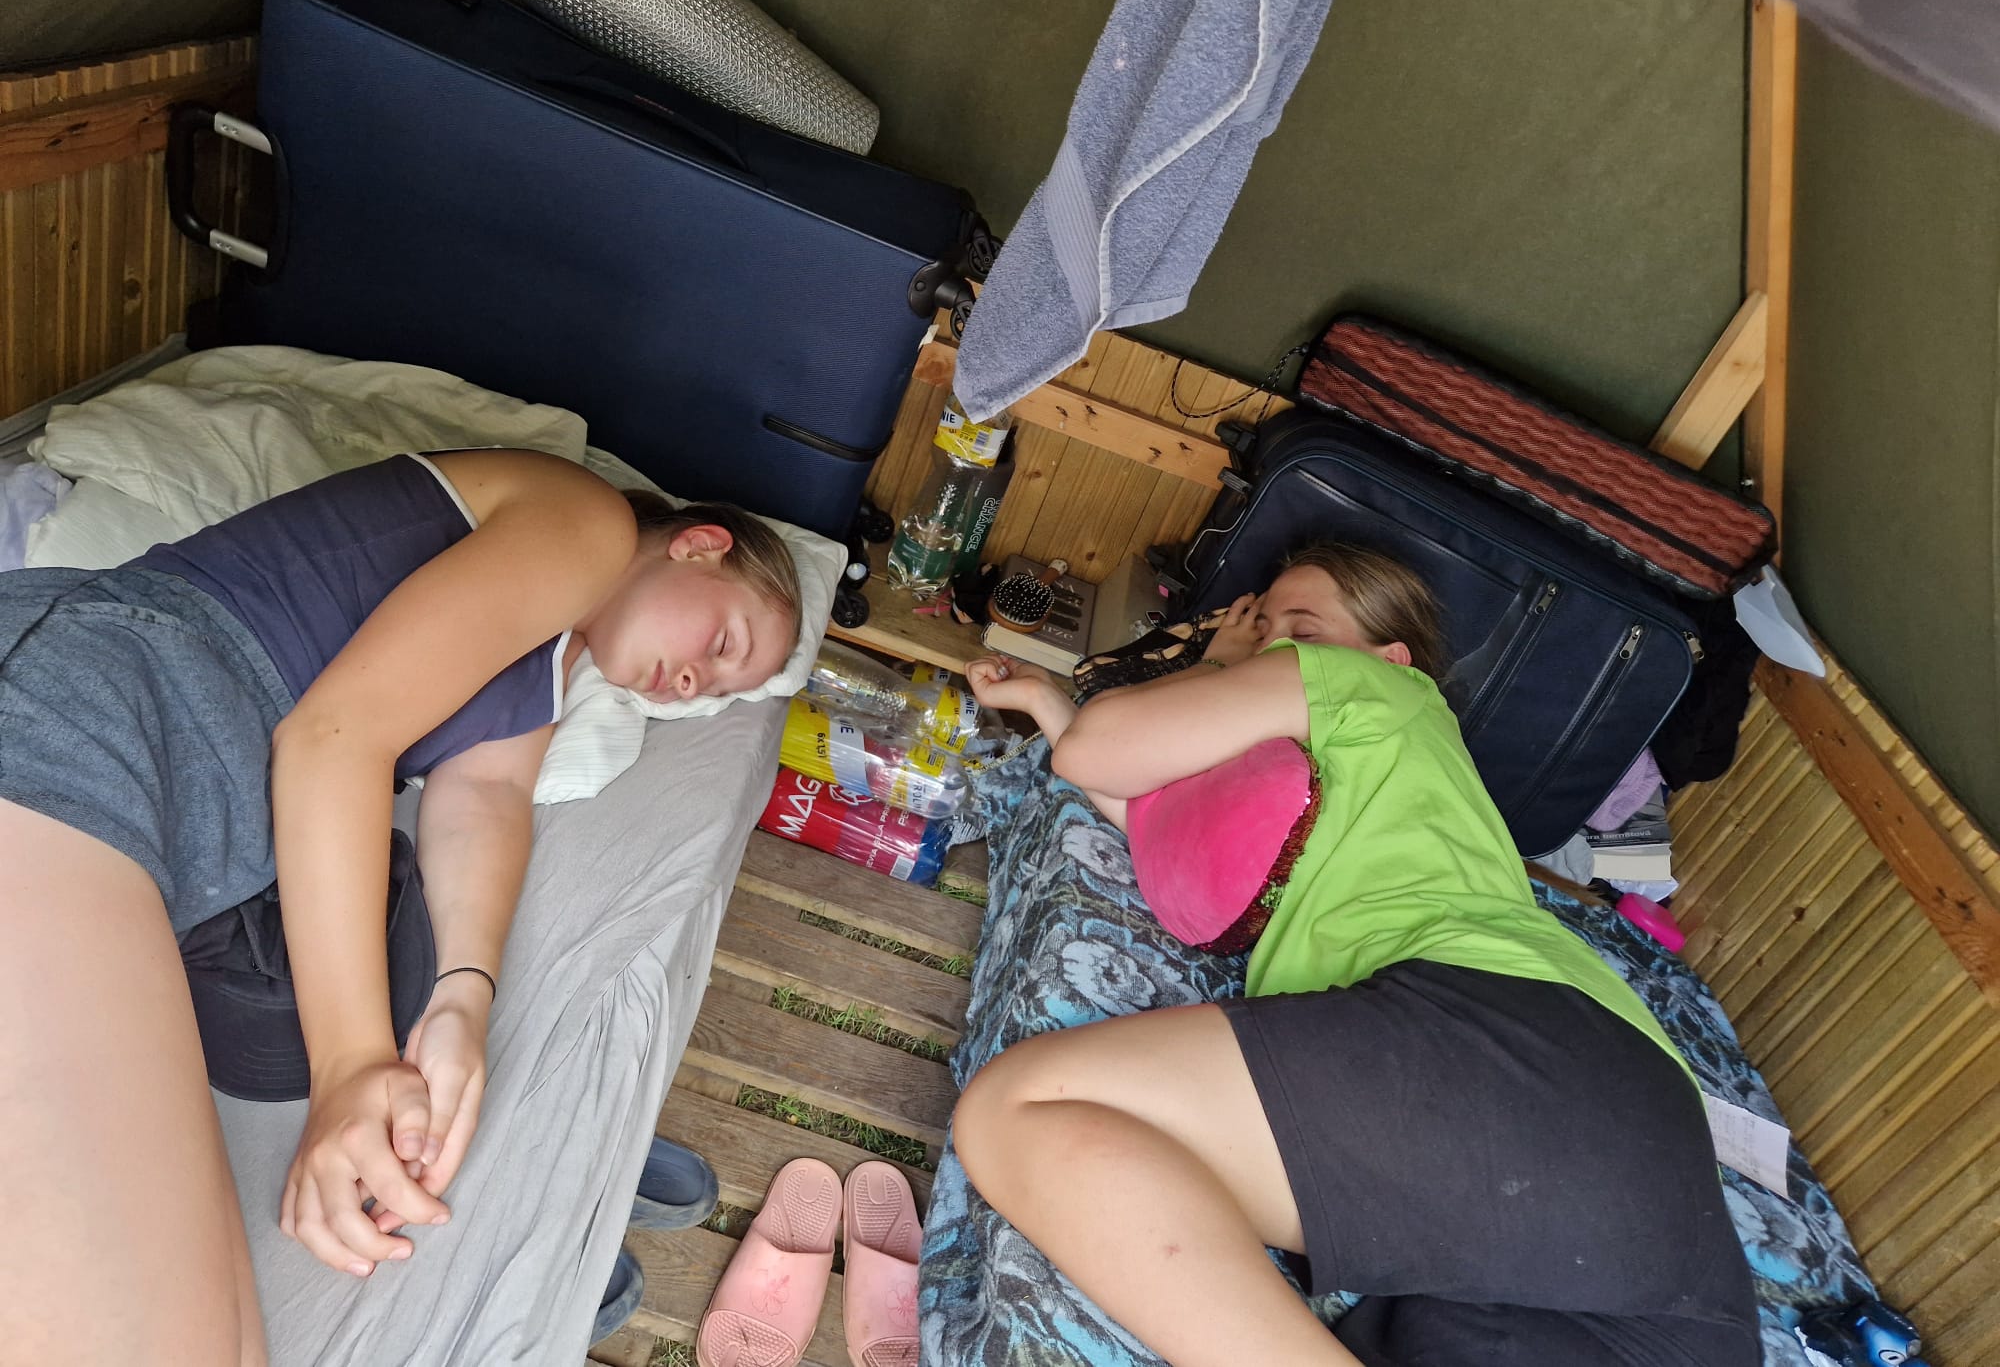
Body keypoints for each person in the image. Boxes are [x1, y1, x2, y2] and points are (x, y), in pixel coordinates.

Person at [0, 448, 800, 1366]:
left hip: (159, 831)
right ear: (698, 546)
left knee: (220, 1342)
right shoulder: (588, 524)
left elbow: (486, 799)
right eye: (723, 645)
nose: (694, 684)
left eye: (719, 691)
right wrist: (352, 1062)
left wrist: (464, 998)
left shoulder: (548, 666)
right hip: (98, 711)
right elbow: (336, 738)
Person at [957, 544, 1759, 1367]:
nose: (1275, 644)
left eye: (1300, 631)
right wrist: (1049, 703)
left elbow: (1103, 749)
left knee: (1022, 1107)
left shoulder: (1377, 689)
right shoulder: (1344, 780)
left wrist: (1222, 660)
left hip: (1529, 1051)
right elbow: (1168, 832)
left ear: (1392, 656)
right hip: (1644, 1242)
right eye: (1263, 628)